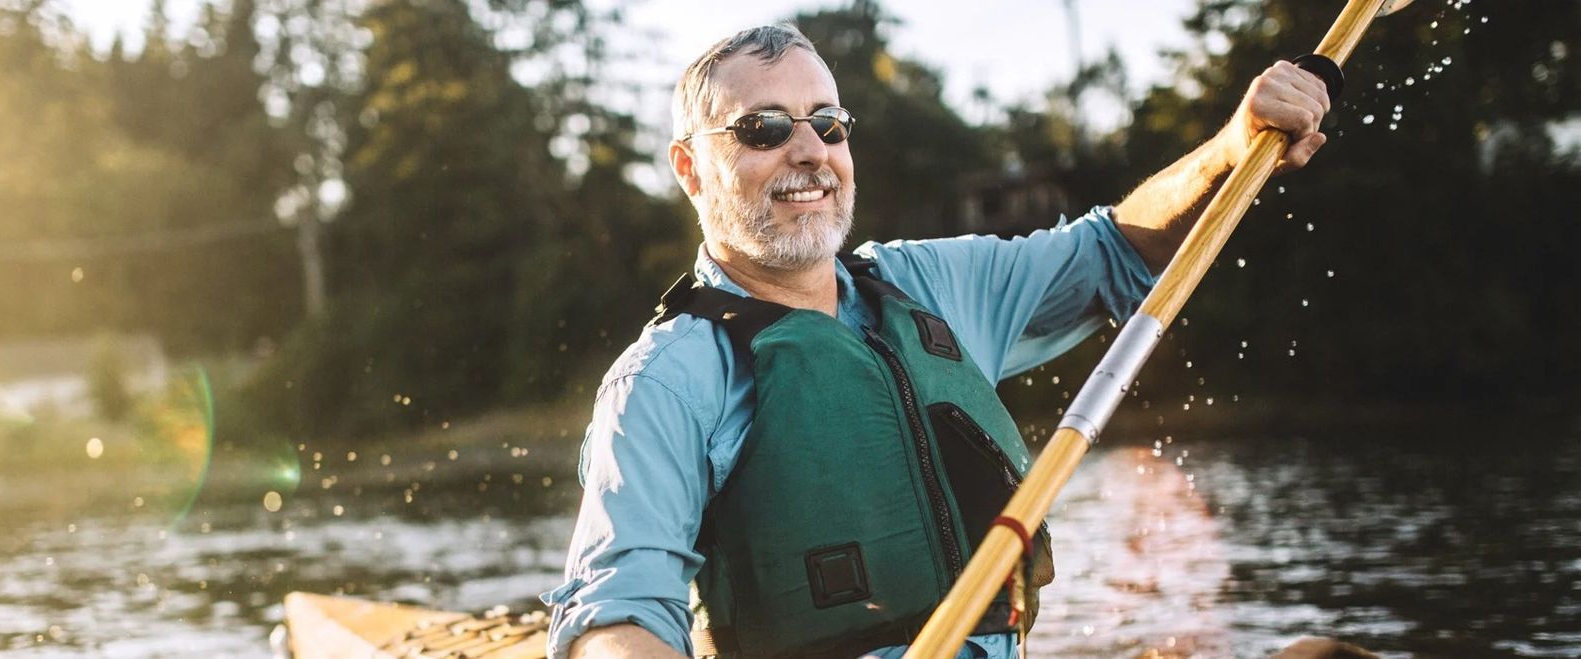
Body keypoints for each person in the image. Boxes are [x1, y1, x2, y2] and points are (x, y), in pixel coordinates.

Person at [542, 23, 1331, 659]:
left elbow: (1116, 252)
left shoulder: (928, 287)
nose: (810, 149)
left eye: (827, 122)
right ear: (690, 168)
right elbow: (617, 616)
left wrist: (1233, 145)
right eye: (763, 128)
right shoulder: (665, 379)